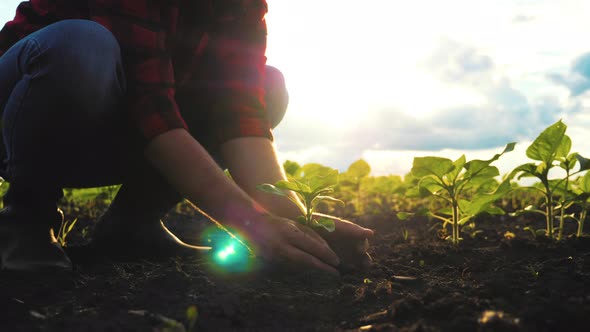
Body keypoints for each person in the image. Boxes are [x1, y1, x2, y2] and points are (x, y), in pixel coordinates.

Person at [0, 0, 373, 275]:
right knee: (81, 46)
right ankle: (26, 221)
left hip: (105, 128)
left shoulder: (242, 8)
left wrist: (297, 220)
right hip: (19, 118)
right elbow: (150, 111)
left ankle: (133, 225)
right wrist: (250, 224)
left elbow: (239, 114)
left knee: (267, 86)